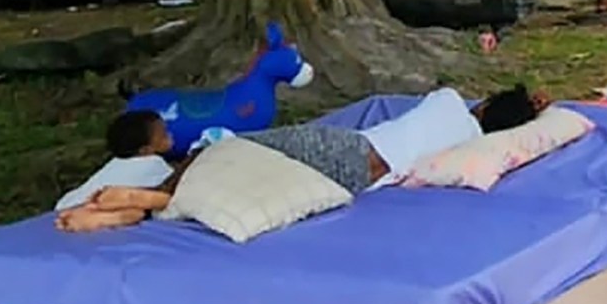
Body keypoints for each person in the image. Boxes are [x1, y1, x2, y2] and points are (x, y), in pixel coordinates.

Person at [59, 86, 542, 232]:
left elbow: (473, 103)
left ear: (484, 105)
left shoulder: (448, 102)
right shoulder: (467, 149)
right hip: (359, 181)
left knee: (225, 150)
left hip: (344, 150)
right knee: (241, 178)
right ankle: (139, 208)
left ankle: (152, 197)